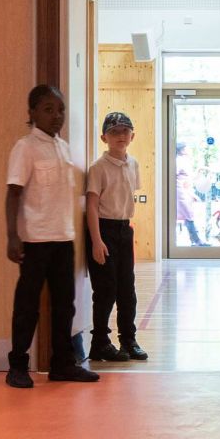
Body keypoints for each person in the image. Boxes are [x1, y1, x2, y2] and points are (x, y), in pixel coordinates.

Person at [4, 84, 100, 389]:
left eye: (60, 110)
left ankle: (62, 364)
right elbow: (13, 193)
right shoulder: (25, 148)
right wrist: (12, 236)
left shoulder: (63, 146)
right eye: (48, 109)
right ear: (31, 113)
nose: (56, 116)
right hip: (34, 241)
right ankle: (17, 365)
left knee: (65, 305)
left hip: (63, 239)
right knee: (27, 306)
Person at [85, 111, 148, 362]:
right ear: (104, 137)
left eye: (125, 131)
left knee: (127, 289)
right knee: (105, 290)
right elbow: (91, 205)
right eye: (114, 132)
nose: (120, 136)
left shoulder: (133, 164)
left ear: (132, 136)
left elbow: (128, 197)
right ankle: (99, 341)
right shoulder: (98, 168)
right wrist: (97, 240)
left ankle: (128, 340)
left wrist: (126, 231)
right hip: (104, 230)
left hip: (124, 230)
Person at [175, 142, 204, 246]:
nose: (189, 150)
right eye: (187, 148)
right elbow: (174, 175)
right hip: (181, 192)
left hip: (185, 192)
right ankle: (197, 241)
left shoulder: (185, 161)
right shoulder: (179, 160)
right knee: (188, 215)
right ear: (182, 150)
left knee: (188, 215)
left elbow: (189, 178)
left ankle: (195, 241)